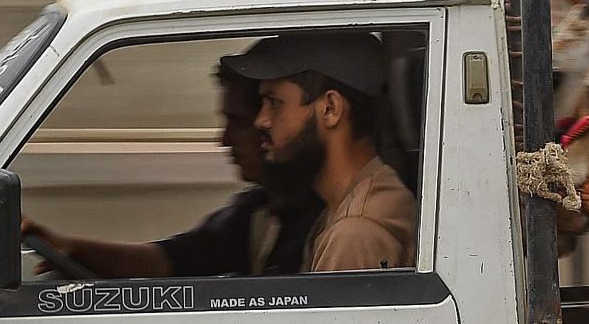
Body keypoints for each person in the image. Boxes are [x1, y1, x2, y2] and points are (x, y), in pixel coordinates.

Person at [21, 60, 325, 279]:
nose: (224, 140)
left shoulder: (321, 223)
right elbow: (171, 260)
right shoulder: (258, 212)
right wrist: (70, 248)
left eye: (238, 122)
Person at [228, 30, 417, 272]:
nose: (261, 121)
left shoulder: (354, 233)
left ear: (330, 109)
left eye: (274, 103)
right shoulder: (351, 203)